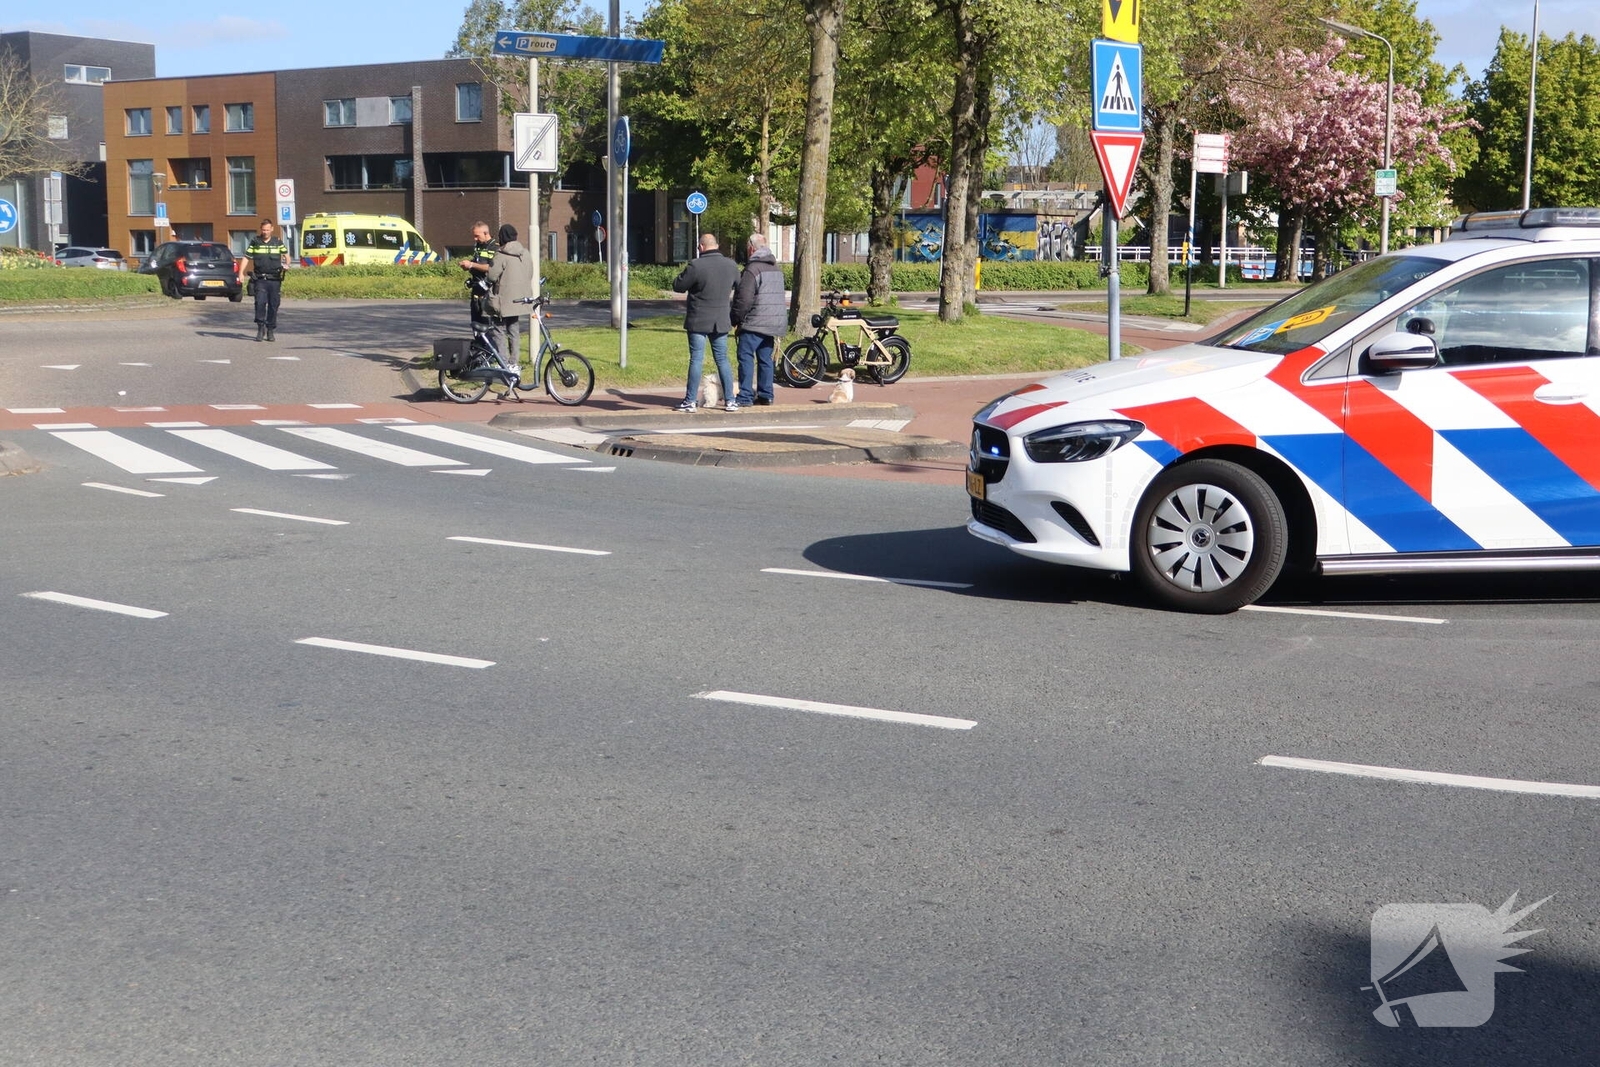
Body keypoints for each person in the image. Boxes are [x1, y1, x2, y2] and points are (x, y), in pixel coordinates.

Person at [671, 232, 740, 412]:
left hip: (698, 320)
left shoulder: (696, 265)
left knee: (696, 360)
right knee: (722, 360)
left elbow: (678, 285)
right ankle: (731, 400)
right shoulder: (731, 265)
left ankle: (690, 401)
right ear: (717, 245)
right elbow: (739, 286)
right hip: (721, 320)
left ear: (701, 247)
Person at [730, 233, 785, 406]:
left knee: (745, 357)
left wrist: (735, 318)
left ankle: (745, 395)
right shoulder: (776, 269)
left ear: (751, 248)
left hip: (754, 322)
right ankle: (766, 394)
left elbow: (743, 299)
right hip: (773, 322)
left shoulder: (752, 269)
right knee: (765, 359)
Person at [485, 223, 532, 381]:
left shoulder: (501, 254)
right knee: (514, 329)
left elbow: (491, 276)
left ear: (502, 237)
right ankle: (514, 362)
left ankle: (503, 361)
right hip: (520, 299)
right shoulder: (525, 253)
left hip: (502, 300)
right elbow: (530, 273)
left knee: (498, 329)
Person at [457, 221, 500, 358]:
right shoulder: (479, 246)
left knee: (487, 324)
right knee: (475, 324)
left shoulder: (495, 248)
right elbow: (476, 263)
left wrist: (472, 265)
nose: (475, 239)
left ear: (486, 233)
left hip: (487, 292)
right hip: (476, 290)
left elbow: (491, 268)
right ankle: (480, 353)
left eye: (477, 236)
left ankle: (491, 355)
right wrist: (468, 266)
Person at [242, 219, 289, 342]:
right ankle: (260, 328)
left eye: (267, 230)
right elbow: (246, 258)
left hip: (274, 279)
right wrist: (240, 273)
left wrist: (286, 265)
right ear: (261, 229)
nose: (265, 232)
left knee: (274, 305)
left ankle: (270, 330)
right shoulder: (255, 242)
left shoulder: (277, 242)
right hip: (260, 279)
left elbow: (286, 256)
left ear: (272, 229)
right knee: (260, 303)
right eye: (263, 230)